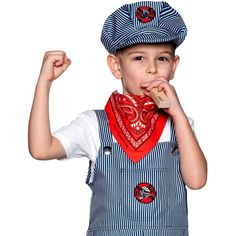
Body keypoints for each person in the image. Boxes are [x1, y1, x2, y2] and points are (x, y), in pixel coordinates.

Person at [28, 1, 207, 235]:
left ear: (174, 66)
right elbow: (41, 149)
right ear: (116, 66)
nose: (152, 69)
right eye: (139, 58)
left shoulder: (179, 125)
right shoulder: (95, 125)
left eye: (162, 58)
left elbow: (197, 181)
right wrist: (44, 83)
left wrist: (178, 114)